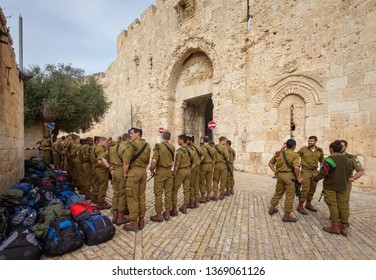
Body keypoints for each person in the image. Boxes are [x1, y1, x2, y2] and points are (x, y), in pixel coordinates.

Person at [313, 140, 352, 236]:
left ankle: (334, 226)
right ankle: (344, 227)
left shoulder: (329, 160)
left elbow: (323, 173)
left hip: (330, 186)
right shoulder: (346, 159)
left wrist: (315, 179)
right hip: (343, 186)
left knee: (333, 205)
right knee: (343, 205)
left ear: (331, 149)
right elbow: (349, 173)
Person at [122, 127, 151, 232]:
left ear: (138, 133)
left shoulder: (132, 144)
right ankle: (141, 219)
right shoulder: (147, 145)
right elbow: (147, 160)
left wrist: (125, 173)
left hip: (134, 172)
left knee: (132, 197)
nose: (130, 135)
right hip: (143, 171)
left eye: (132, 133)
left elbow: (126, 162)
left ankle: (134, 222)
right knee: (141, 196)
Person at [268, 139, 303, 222]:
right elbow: (296, 168)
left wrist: (275, 171)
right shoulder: (295, 155)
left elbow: (270, 163)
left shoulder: (279, 153)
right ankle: (286, 216)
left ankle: (272, 208)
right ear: (294, 146)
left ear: (286, 145)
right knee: (290, 196)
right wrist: (298, 178)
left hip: (279, 176)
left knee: (278, 192)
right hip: (290, 177)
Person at [101, 133, 131, 225]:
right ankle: (120, 217)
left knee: (116, 193)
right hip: (121, 170)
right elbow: (126, 162)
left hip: (113, 171)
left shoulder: (112, 147)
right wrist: (126, 172)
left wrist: (109, 167)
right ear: (128, 139)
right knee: (123, 194)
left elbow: (102, 157)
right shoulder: (125, 147)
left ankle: (115, 216)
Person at [149, 131, 176, 222]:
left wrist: (152, 169)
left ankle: (158, 214)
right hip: (169, 171)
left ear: (162, 136)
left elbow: (154, 160)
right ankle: (167, 213)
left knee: (158, 193)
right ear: (169, 138)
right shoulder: (172, 147)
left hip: (160, 171)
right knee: (168, 193)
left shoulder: (158, 146)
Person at [296, 136, 324, 215]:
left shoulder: (319, 151)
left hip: (315, 171)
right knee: (305, 189)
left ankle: (308, 204)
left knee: (313, 188)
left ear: (315, 142)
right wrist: (297, 165)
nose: (309, 142)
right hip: (305, 171)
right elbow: (295, 156)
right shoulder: (303, 149)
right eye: (309, 141)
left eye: (311, 141)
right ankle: (300, 205)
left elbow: (322, 161)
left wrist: (321, 170)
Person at [340, 140, 365, 222]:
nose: (340, 148)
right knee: (334, 201)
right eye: (339, 146)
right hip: (334, 182)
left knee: (344, 201)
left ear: (346, 147)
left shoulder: (351, 158)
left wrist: (353, 178)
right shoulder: (334, 156)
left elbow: (360, 171)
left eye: (342, 146)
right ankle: (336, 216)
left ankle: (344, 221)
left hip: (345, 182)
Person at [171, 134, 191, 216]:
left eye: (178, 139)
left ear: (182, 140)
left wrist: (174, 172)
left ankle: (174, 209)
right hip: (188, 171)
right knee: (186, 189)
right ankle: (185, 207)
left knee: (174, 190)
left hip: (181, 171)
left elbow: (177, 164)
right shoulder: (189, 150)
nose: (177, 141)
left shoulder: (179, 151)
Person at [94, 137, 111, 210]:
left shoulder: (95, 147)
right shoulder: (101, 149)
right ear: (101, 142)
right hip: (101, 170)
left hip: (96, 169)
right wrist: (108, 167)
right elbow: (100, 161)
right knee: (103, 186)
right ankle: (100, 203)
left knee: (98, 185)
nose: (107, 143)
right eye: (106, 142)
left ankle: (100, 200)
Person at [211, 136, 229, 201]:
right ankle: (221, 194)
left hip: (216, 165)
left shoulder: (215, 147)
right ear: (222, 140)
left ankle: (215, 194)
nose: (226, 142)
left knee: (215, 179)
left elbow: (212, 155)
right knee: (223, 179)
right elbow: (227, 156)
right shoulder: (225, 148)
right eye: (225, 141)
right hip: (223, 165)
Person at [199, 136, 215, 203]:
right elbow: (214, 159)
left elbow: (201, 157)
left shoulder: (202, 148)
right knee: (209, 180)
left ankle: (203, 196)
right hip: (210, 165)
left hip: (204, 165)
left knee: (202, 180)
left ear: (203, 140)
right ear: (208, 141)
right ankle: (208, 195)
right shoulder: (212, 149)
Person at [187, 135, 201, 208]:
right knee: (196, 185)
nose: (187, 141)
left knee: (191, 185)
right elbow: (202, 156)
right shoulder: (198, 147)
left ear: (191, 141)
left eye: (188, 140)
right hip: (198, 167)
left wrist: (190, 169)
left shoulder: (190, 148)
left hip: (192, 167)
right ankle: (196, 202)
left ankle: (191, 203)